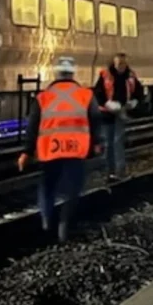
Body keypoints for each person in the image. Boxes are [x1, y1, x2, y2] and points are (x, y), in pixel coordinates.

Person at [17, 57, 102, 243]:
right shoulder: (86, 95)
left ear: (56, 73)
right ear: (72, 73)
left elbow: (32, 126)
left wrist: (26, 152)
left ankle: (47, 223)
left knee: (48, 188)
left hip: (50, 151)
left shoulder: (43, 97)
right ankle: (64, 225)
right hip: (76, 150)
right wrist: (97, 143)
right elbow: (95, 120)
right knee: (73, 189)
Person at [93, 52, 144, 180]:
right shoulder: (105, 75)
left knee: (117, 141)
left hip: (121, 113)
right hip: (106, 113)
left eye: (123, 63)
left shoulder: (130, 76)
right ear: (114, 63)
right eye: (119, 63)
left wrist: (134, 101)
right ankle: (109, 171)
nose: (121, 66)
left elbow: (139, 91)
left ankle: (119, 171)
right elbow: (98, 93)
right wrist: (107, 103)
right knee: (108, 143)